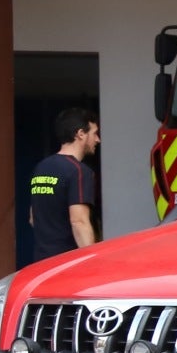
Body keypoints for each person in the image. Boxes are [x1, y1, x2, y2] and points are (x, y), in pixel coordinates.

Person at [27, 105, 101, 261]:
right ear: (81, 134)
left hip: (41, 262)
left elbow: (33, 218)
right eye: (94, 133)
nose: (97, 140)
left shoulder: (42, 167)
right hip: (67, 263)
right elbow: (79, 221)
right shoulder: (79, 171)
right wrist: (92, 261)